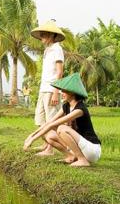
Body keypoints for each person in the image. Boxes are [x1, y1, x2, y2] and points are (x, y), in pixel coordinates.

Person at [23, 73, 101, 167]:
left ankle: (82, 160)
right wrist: (31, 135)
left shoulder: (80, 109)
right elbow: (49, 122)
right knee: (50, 136)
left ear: (72, 92)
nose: (61, 93)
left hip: (92, 149)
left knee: (62, 128)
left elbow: (53, 125)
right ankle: (71, 156)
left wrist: (32, 140)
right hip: (80, 146)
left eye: (63, 91)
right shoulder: (66, 106)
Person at [31, 20, 65, 156]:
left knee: (51, 121)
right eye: (41, 35)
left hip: (51, 89)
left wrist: (56, 91)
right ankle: (46, 145)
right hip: (43, 89)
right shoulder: (47, 50)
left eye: (44, 35)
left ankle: (50, 149)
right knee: (40, 119)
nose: (41, 38)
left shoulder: (57, 49)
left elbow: (60, 72)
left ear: (51, 35)